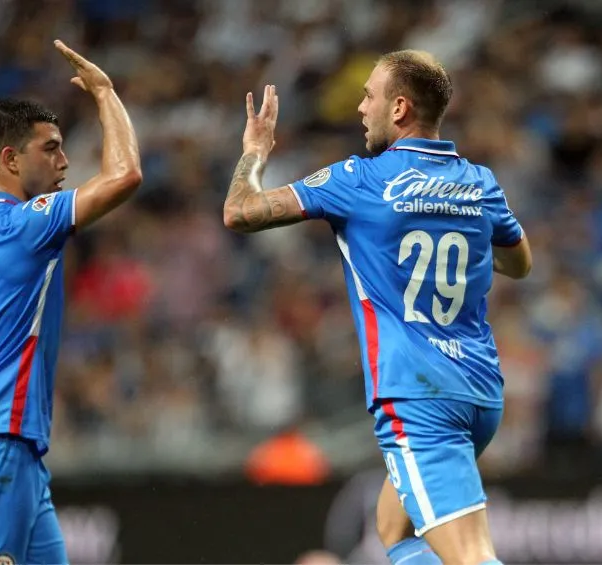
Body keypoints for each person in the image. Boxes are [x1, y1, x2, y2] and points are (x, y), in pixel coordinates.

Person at [223, 51, 531, 565]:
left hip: (419, 398)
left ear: (400, 108)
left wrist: (255, 150)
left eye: (369, 96)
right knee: (395, 530)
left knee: (472, 557)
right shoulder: (479, 183)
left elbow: (240, 211)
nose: (361, 107)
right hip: (480, 395)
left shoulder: (360, 179)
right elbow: (519, 264)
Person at [0, 40, 142, 565]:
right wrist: (106, 93)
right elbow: (126, 175)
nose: (65, 161)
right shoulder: (27, 222)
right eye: (51, 148)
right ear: (10, 159)